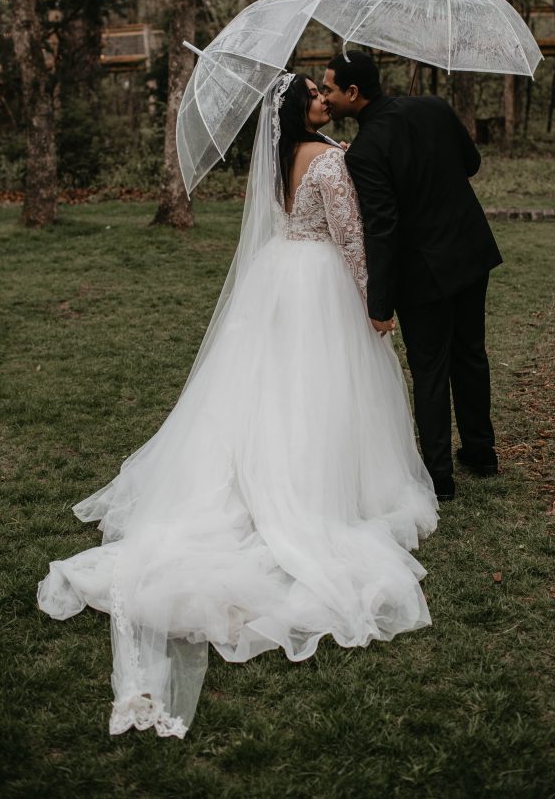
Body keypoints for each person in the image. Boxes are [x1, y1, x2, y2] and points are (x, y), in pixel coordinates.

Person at [38, 72, 437, 739]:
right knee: (318, 389)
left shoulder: (279, 160)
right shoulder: (329, 159)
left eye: (322, 91)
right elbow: (349, 236)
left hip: (277, 275)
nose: (323, 98)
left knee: (269, 385)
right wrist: (375, 305)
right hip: (319, 284)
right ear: (297, 110)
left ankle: (258, 471)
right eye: (313, 94)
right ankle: (320, 487)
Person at [321, 52, 502, 502]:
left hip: (423, 273)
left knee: (430, 370)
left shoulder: (365, 151)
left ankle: (440, 477)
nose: (326, 97)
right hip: (469, 250)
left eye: (329, 89)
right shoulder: (433, 107)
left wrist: (378, 303)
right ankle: (481, 452)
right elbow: (471, 163)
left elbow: (382, 228)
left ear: (353, 93)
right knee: (471, 354)